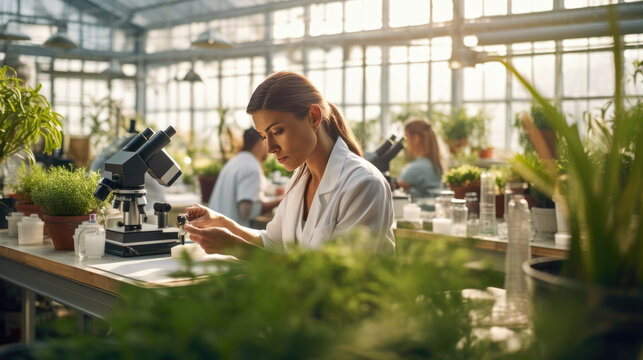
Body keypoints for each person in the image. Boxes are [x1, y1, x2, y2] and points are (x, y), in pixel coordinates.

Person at [182, 72, 395, 255]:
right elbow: (272, 244)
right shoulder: (299, 180)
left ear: (313, 117)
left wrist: (237, 248)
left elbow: (335, 278)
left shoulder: (364, 184)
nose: (269, 148)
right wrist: (220, 222)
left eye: (277, 131)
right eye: (264, 136)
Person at [207, 128, 281, 228]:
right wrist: (280, 201)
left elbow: (259, 186)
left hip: (214, 228)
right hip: (231, 237)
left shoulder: (234, 162)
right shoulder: (251, 168)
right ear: (260, 143)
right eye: (268, 142)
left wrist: (275, 191)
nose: (270, 149)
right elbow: (247, 211)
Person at [396, 119, 443, 199]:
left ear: (416, 138)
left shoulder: (418, 167)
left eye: (407, 138)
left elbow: (397, 186)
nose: (406, 144)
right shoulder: (433, 163)